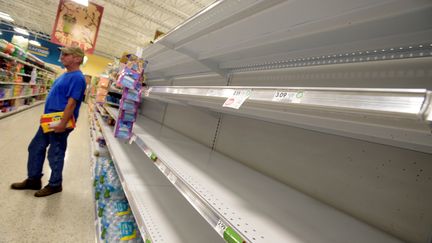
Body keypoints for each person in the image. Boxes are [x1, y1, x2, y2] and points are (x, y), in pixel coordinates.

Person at [11, 46, 87, 197]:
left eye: (66, 54)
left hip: (59, 122)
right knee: (35, 147)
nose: (62, 57)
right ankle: (33, 180)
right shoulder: (64, 75)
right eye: (62, 54)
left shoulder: (78, 78)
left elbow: (71, 103)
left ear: (77, 58)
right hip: (49, 120)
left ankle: (55, 184)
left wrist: (62, 123)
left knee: (55, 153)